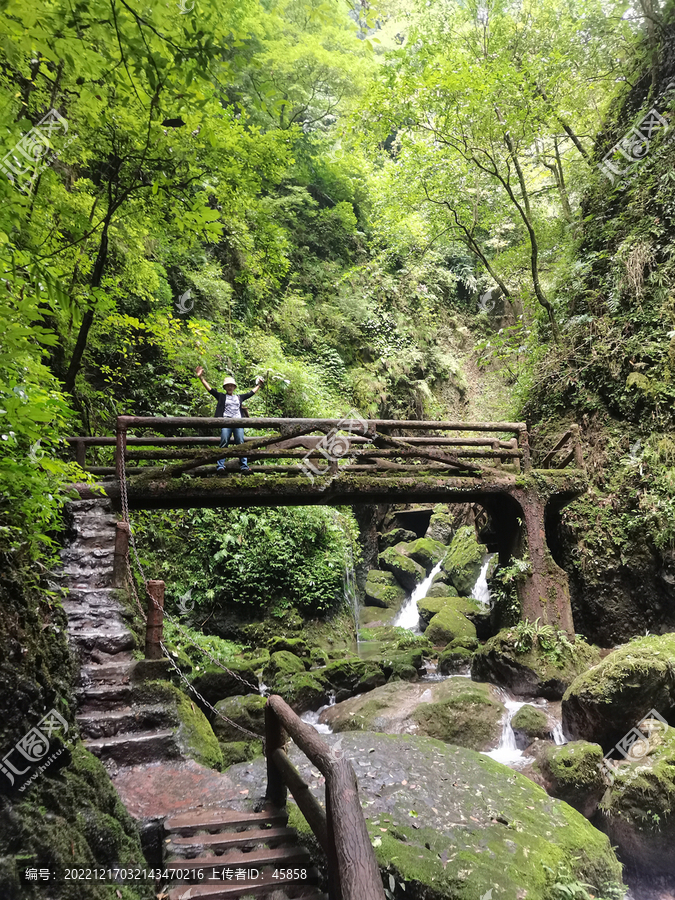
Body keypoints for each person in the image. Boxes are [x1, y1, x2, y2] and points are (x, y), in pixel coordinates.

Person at [195, 366, 263, 474]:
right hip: (226, 422)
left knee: (241, 443)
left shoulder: (239, 397)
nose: (230, 387)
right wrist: (201, 378)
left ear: (234, 387)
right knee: (224, 442)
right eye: (228, 386)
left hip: (238, 422)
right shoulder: (221, 397)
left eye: (231, 385)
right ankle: (220, 467)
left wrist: (259, 385)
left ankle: (244, 466)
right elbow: (210, 390)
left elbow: (250, 393)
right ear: (225, 387)